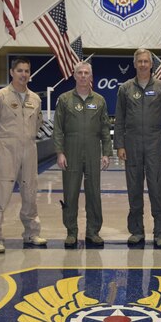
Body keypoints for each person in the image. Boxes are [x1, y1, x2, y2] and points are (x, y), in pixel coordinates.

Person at [0, 57, 47, 253]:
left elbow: (37, 125)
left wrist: (25, 140)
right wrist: (2, 146)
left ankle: (31, 233)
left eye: (27, 71)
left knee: (30, 192)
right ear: (12, 72)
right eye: (19, 70)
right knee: (0, 193)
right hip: (6, 150)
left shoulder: (35, 99)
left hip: (29, 150)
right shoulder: (0, 97)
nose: (23, 74)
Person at [114, 48, 161, 247]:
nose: (142, 64)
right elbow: (119, 119)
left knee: (157, 189)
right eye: (139, 61)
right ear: (134, 64)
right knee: (134, 189)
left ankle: (160, 233)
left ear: (151, 64)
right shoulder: (125, 89)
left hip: (154, 144)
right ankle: (137, 231)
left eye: (145, 61)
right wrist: (120, 145)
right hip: (131, 145)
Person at [53, 61, 111, 248]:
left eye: (87, 73)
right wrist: (60, 152)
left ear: (91, 76)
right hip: (71, 151)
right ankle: (71, 232)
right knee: (70, 193)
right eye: (80, 73)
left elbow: (105, 129)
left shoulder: (99, 100)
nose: (84, 76)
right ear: (74, 75)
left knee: (94, 193)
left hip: (93, 151)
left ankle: (93, 232)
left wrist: (106, 153)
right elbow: (58, 129)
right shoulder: (64, 99)